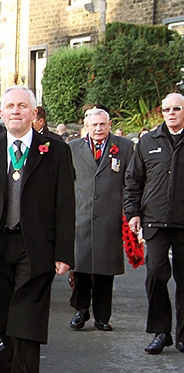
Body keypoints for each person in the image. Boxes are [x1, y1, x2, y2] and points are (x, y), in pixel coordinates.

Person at [0, 86, 75, 373]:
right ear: (0, 113)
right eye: (9, 106)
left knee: (27, 325)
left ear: (34, 113)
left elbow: (66, 204)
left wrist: (64, 252)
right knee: (0, 324)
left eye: (23, 106)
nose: (15, 111)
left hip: (35, 250)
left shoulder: (56, 151)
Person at [125, 93, 184, 355]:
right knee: (156, 275)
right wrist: (133, 212)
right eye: (166, 109)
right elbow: (133, 180)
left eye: (177, 109)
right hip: (155, 222)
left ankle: (183, 335)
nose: (171, 113)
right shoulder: (148, 142)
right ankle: (161, 332)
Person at [67, 108, 134, 332]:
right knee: (81, 266)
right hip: (81, 216)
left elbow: (131, 182)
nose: (98, 129)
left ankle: (102, 316)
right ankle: (80, 310)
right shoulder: (73, 148)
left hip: (110, 217)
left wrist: (129, 213)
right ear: (86, 125)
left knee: (106, 269)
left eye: (102, 124)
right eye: (93, 125)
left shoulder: (124, 147)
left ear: (110, 124)